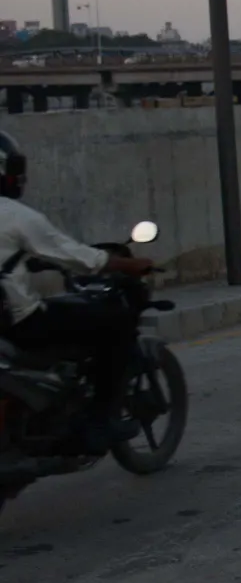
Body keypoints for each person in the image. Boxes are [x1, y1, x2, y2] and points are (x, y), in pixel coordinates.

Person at [0, 131, 154, 447]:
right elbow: (80, 257)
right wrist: (128, 265)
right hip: (19, 323)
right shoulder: (15, 216)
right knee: (116, 323)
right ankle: (101, 418)